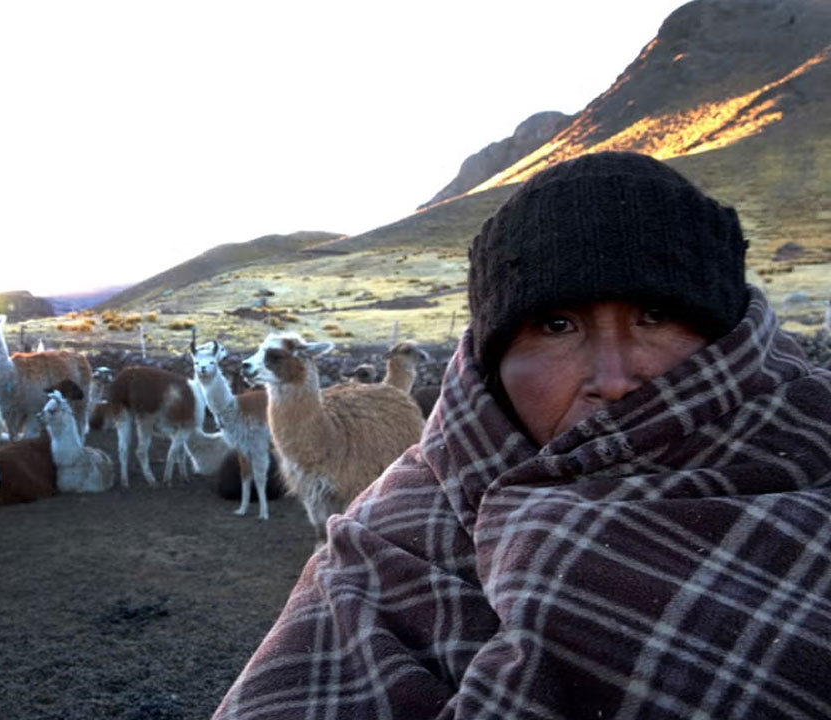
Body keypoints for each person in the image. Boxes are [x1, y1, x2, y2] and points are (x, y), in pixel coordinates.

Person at [213, 152, 831, 718]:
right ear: (494, 360)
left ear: (731, 342)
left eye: (657, 316)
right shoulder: (395, 543)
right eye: (557, 325)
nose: (614, 381)